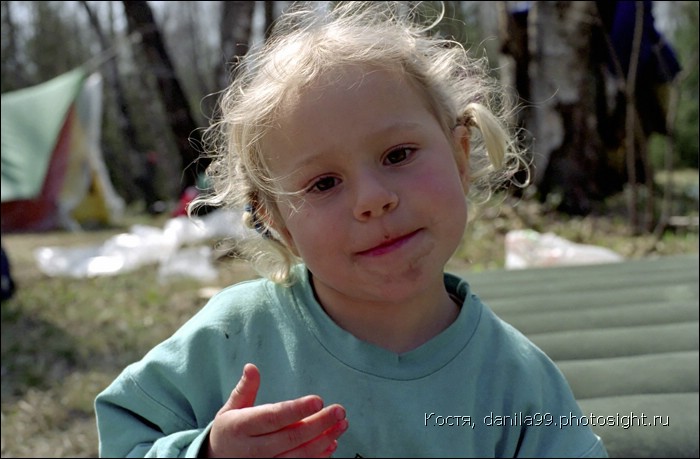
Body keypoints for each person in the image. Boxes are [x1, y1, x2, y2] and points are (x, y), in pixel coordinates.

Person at [95, 2, 608, 457]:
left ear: (460, 155)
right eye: (323, 184)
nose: (372, 199)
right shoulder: (233, 337)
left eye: (398, 154)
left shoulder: (515, 381)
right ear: (276, 223)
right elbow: (123, 438)